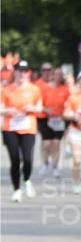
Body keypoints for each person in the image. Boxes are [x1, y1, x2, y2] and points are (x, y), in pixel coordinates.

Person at [1, 60, 42, 201]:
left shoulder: (34, 89)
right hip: (10, 127)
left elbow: (40, 107)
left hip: (28, 127)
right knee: (14, 159)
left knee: (28, 159)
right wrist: (8, 110)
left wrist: (32, 109)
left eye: (25, 71)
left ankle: (27, 179)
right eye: (19, 70)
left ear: (28, 73)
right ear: (15, 72)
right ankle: (17, 189)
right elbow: (0, 108)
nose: (22, 74)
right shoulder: (6, 89)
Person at [41, 66, 70, 177]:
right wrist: (45, 109)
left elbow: (70, 104)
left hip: (60, 120)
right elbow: (39, 104)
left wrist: (66, 113)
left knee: (56, 144)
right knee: (46, 145)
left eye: (60, 74)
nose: (58, 76)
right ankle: (46, 163)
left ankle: (55, 167)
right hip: (47, 119)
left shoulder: (65, 89)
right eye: (56, 74)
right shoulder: (46, 88)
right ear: (52, 75)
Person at [35, 62, 53, 174]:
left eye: (48, 70)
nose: (46, 72)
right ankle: (45, 163)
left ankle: (52, 161)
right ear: (41, 71)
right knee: (45, 142)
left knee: (54, 142)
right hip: (42, 116)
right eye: (44, 70)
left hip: (56, 117)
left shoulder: (55, 83)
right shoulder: (37, 84)